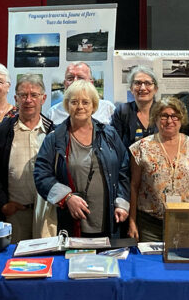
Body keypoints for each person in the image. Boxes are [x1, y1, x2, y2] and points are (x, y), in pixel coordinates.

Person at [34, 80, 129, 237]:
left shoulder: (109, 134)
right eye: (74, 102)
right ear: (67, 105)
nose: (80, 107)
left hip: (110, 221)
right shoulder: (55, 138)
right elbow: (41, 175)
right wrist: (67, 197)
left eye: (85, 102)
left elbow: (124, 170)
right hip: (71, 223)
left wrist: (122, 203)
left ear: (93, 105)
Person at [0, 74, 55, 242]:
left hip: (47, 212)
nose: (28, 100)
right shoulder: (1, 133)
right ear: (16, 99)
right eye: (23, 95)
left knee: (46, 258)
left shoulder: (53, 132)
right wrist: (3, 204)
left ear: (43, 98)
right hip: (15, 214)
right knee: (16, 262)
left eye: (34, 95)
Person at [128, 96, 189, 241]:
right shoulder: (141, 148)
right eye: (164, 116)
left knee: (181, 262)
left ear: (182, 119)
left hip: (185, 222)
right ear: (155, 118)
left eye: (174, 116)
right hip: (150, 224)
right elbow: (134, 186)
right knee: (150, 263)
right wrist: (132, 221)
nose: (169, 121)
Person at [48, 61, 116, 124]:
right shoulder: (53, 113)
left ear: (91, 83)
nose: (75, 82)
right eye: (70, 78)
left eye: (80, 78)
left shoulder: (108, 108)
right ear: (65, 84)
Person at [112, 65, 159, 151]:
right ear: (131, 88)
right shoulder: (122, 112)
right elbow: (115, 145)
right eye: (138, 83)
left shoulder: (163, 111)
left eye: (148, 83)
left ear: (155, 89)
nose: (143, 88)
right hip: (129, 163)